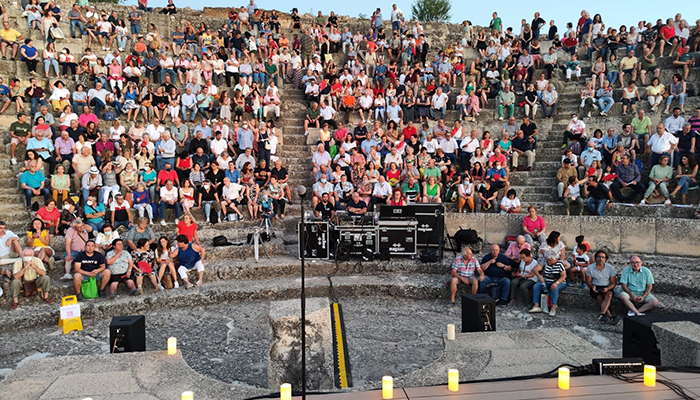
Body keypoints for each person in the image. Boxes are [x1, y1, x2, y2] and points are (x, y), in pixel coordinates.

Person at [529, 249, 567, 316]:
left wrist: (556, 283)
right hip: (547, 281)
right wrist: (540, 277)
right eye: (548, 260)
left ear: (555, 258)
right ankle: (536, 306)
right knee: (536, 286)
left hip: (559, 282)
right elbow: (535, 269)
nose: (549, 262)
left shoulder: (560, 263)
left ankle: (553, 308)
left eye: (550, 260)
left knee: (554, 288)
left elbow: (563, 276)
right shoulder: (545, 262)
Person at [586, 249, 618, 324]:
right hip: (595, 286)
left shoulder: (610, 268)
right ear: (595, 258)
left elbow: (613, 283)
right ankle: (610, 316)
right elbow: (588, 282)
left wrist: (607, 288)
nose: (601, 259)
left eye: (603, 257)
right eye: (599, 257)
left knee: (609, 295)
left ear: (606, 259)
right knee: (599, 298)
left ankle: (602, 314)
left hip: (606, 286)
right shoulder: (590, 268)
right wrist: (592, 287)